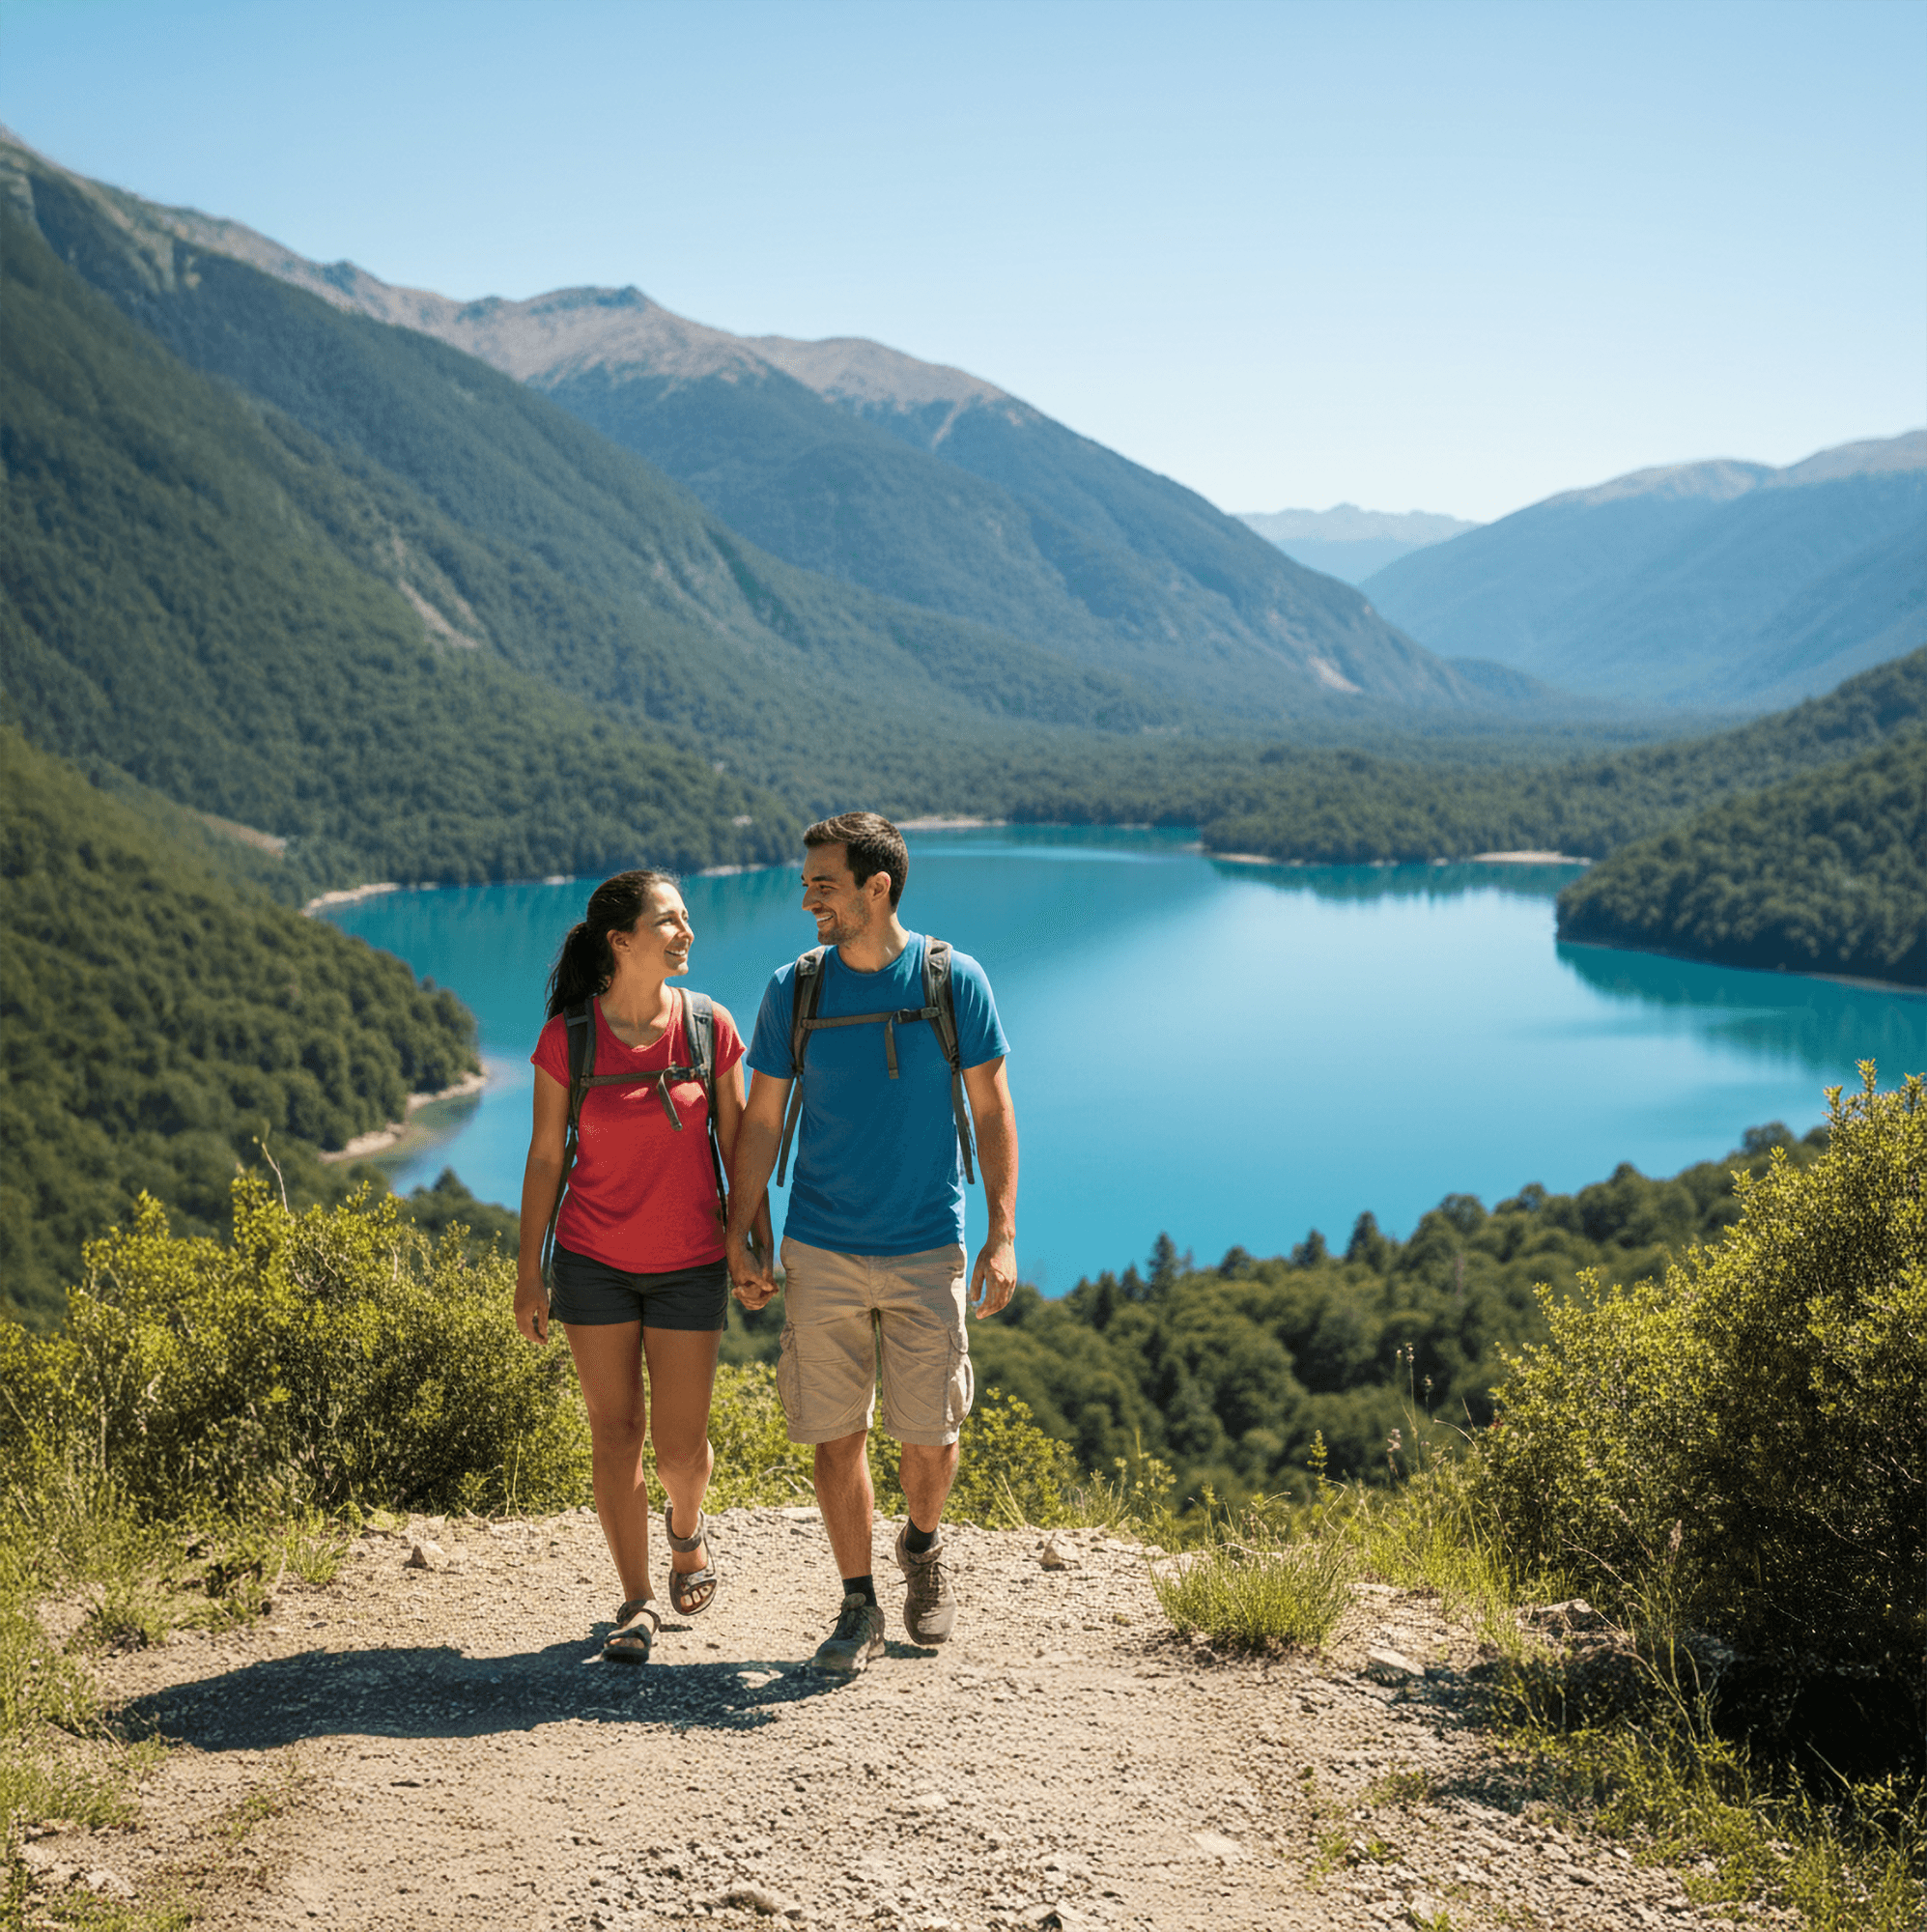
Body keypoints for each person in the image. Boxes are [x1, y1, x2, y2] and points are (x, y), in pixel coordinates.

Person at [725, 812, 1018, 1675]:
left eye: (823, 883)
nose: (808, 897)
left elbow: (994, 1109)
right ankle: (857, 1603)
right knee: (834, 1431)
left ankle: (920, 1546)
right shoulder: (795, 989)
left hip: (929, 1243)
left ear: (875, 887)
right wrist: (745, 1233)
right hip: (820, 1244)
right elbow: (763, 1120)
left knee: (929, 1434)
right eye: (809, 882)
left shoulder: (951, 980)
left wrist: (1001, 1235)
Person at [514, 869, 772, 1664]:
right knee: (615, 1431)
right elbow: (545, 1157)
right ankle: (634, 1600)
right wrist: (530, 1272)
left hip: (689, 1262)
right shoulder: (569, 1037)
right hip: (593, 1261)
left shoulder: (707, 1029)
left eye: (685, 918)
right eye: (669, 921)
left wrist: (750, 1244)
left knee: (679, 1449)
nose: (686, 931)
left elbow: (738, 1151)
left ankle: (687, 1531)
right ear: (621, 941)